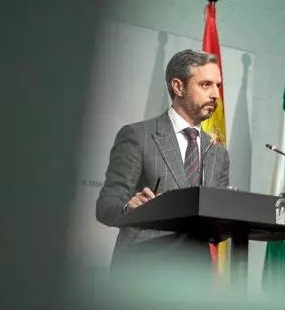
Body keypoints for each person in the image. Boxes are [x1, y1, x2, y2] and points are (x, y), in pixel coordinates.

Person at [96, 49, 231, 275]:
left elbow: (218, 227)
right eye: (206, 85)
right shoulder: (138, 136)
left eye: (218, 85)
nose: (216, 94)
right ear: (178, 86)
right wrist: (129, 207)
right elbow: (105, 206)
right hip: (143, 273)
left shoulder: (218, 153)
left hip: (196, 279)